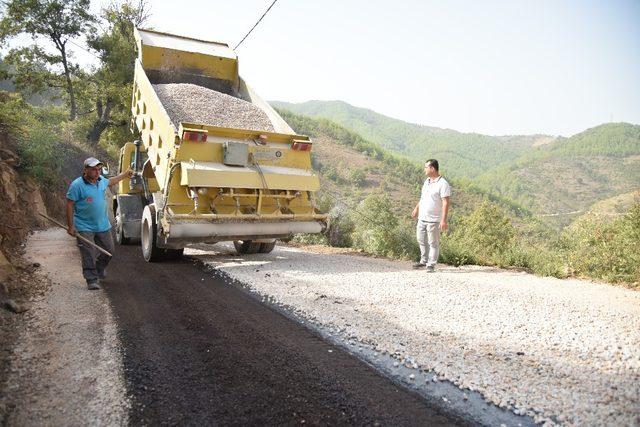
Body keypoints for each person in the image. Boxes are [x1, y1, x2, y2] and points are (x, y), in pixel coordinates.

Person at [66, 157, 133, 290]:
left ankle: (99, 267)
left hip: (102, 225)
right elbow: (69, 204)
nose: (97, 172)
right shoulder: (77, 185)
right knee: (88, 252)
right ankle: (91, 279)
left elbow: (111, 181)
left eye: (98, 169)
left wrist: (125, 175)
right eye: (93, 170)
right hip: (84, 226)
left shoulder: (101, 180)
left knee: (109, 251)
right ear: (85, 170)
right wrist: (70, 226)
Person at [411, 159, 451, 272]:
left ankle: (431, 264)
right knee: (420, 239)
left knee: (433, 243)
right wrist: (416, 208)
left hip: (433, 219)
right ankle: (423, 261)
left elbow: (446, 202)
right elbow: (423, 197)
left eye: (426, 167)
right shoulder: (426, 181)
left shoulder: (443, 184)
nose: (424, 169)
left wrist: (443, 220)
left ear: (432, 168)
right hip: (422, 217)